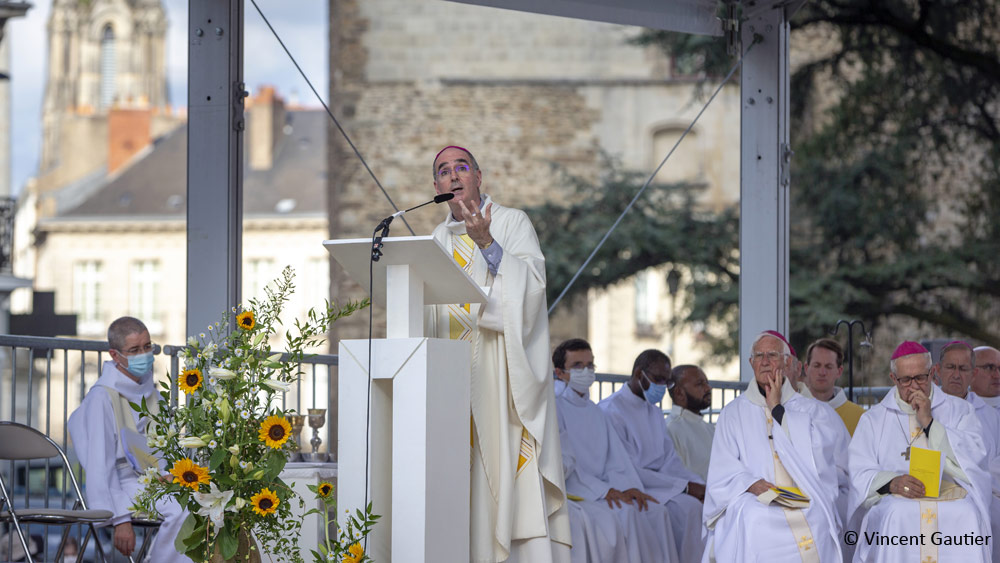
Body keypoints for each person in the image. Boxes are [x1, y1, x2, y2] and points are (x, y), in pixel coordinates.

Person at [424, 146, 571, 562]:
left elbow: (532, 292)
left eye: (461, 167)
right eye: (443, 171)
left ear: (479, 177)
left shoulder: (511, 222)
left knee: (503, 481)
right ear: (435, 187)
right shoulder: (434, 241)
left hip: (502, 382)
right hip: (450, 387)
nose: (453, 176)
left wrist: (488, 244)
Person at [703, 330, 843, 562]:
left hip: (805, 496)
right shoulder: (733, 413)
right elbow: (722, 468)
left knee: (817, 518)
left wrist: (778, 409)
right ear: (751, 363)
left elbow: (819, 464)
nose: (765, 361)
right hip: (753, 498)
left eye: (772, 355)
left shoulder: (813, 411)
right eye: (759, 356)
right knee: (752, 517)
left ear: (787, 362)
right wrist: (750, 483)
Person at [848, 341, 991, 563]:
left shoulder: (960, 410)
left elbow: (974, 459)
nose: (914, 386)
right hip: (896, 502)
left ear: (933, 373)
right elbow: (859, 471)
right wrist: (891, 482)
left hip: (952, 497)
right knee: (896, 513)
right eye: (906, 380)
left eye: (921, 378)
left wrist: (929, 422)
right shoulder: (873, 419)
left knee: (968, 513)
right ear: (893, 378)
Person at [67, 317, 191, 563]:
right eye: (134, 350)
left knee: (203, 500)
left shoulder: (152, 393)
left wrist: (169, 472)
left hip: (151, 480)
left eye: (147, 347)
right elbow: (99, 464)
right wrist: (120, 519)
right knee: (180, 509)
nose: (144, 354)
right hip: (122, 484)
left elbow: (162, 445)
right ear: (115, 355)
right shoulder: (102, 398)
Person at [552, 338, 679, 562]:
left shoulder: (595, 412)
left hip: (604, 487)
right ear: (560, 373)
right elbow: (566, 462)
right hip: (579, 490)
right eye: (578, 366)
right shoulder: (555, 408)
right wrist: (603, 490)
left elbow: (616, 460)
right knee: (628, 513)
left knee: (655, 510)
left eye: (590, 365)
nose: (586, 371)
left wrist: (628, 486)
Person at [598, 350, 705, 563]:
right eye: (658, 380)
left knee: (698, 504)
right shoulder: (611, 410)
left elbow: (669, 460)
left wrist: (697, 484)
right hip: (633, 484)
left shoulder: (654, 411)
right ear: (639, 374)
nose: (663, 388)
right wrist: (684, 487)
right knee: (677, 510)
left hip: (662, 484)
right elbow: (626, 467)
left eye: (666, 382)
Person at [935, 340, 1000, 562]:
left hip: (981, 500)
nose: (956, 375)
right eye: (950, 367)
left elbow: (993, 463)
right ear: (937, 371)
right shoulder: (924, 408)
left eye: (963, 369)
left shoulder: (988, 415)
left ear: (972, 374)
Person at [801, 338, 866, 436]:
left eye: (828, 367)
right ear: (806, 368)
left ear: (839, 371)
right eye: (817, 365)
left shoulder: (859, 417)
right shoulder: (792, 411)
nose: (822, 372)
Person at [665, 364, 715, 482]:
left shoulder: (710, 428)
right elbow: (675, 480)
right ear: (679, 393)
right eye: (700, 384)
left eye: (707, 382)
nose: (708, 388)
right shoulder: (670, 429)